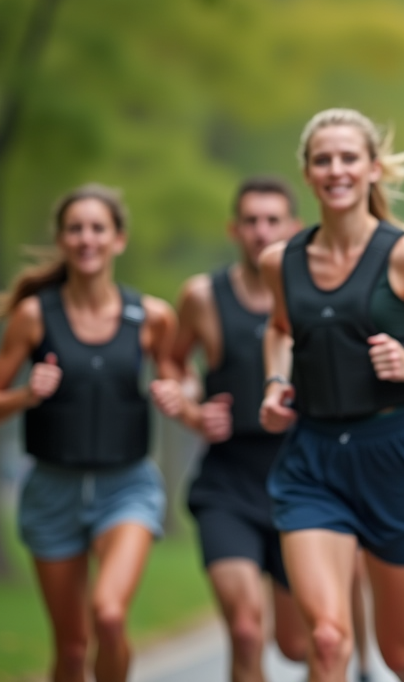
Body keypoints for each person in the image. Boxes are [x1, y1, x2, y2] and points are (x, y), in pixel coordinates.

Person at [257, 108, 404, 682]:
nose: (335, 169)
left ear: (372, 169)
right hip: (312, 459)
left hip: (392, 455)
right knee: (330, 640)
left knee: (400, 653)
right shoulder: (280, 263)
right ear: (308, 174)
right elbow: (282, 329)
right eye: (323, 160)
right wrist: (276, 382)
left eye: (347, 158)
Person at [0, 184, 178, 682]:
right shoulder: (33, 317)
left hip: (125, 486)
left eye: (97, 228)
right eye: (75, 229)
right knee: (70, 650)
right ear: (62, 240)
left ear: (118, 240)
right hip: (53, 490)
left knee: (108, 614)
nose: (87, 239)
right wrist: (26, 394)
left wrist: (178, 395)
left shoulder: (150, 317)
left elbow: (178, 379)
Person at [150, 176, 308, 681]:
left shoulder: (317, 293)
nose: (261, 231)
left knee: (300, 644)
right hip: (228, 481)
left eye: (272, 220)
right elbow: (174, 364)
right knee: (244, 630)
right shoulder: (202, 296)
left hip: (300, 480)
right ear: (234, 229)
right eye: (251, 221)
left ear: (294, 227)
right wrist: (190, 405)